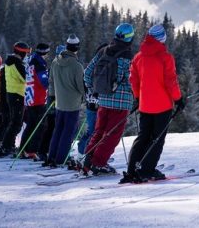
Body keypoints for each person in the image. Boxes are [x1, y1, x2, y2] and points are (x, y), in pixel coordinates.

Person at [120, 24, 185, 183]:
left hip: (145, 105)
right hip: (162, 106)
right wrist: (178, 99)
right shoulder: (165, 57)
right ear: (162, 38)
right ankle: (147, 170)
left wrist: (137, 97)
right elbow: (171, 81)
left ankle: (132, 169)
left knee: (143, 137)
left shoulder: (138, 57)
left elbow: (133, 79)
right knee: (157, 139)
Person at [82, 25, 135, 175]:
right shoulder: (127, 56)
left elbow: (87, 74)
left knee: (99, 131)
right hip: (120, 102)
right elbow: (131, 81)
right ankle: (98, 163)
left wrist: (94, 91)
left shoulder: (103, 51)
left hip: (103, 99)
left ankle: (88, 160)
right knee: (112, 134)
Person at [44, 34, 85, 167]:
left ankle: (52, 156)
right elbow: (81, 86)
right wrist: (87, 95)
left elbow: (51, 81)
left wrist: (53, 96)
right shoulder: (77, 66)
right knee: (68, 132)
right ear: (77, 48)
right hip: (72, 103)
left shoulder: (55, 61)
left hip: (59, 102)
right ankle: (61, 158)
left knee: (58, 130)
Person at [0, 41, 30, 157]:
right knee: (16, 123)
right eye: (26, 53)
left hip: (11, 94)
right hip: (17, 95)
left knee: (14, 122)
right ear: (22, 53)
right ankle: (5, 146)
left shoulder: (9, 63)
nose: (26, 55)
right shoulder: (17, 64)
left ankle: (7, 145)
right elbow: (25, 78)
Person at [19, 43, 50, 160]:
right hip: (38, 98)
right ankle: (32, 150)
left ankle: (23, 149)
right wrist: (50, 77)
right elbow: (44, 83)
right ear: (45, 52)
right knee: (40, 125)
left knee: (31, 125)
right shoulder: (39, 64)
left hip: (29, 97)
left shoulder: (31, 60)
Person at [77, 43, 108, 158]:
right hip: (98, 104)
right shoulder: (101, 69)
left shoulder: (89, 68)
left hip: (91, 103)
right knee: (96, 130)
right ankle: (85, 153)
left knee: (93, 130)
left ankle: (84, 152)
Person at [37, 44, 65, 162]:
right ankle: (44, 150)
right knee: (52, 126)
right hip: (54, 99)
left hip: (55, 99)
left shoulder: (56, 65)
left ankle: (47, 150)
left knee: (54, 126)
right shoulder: (57, 65)